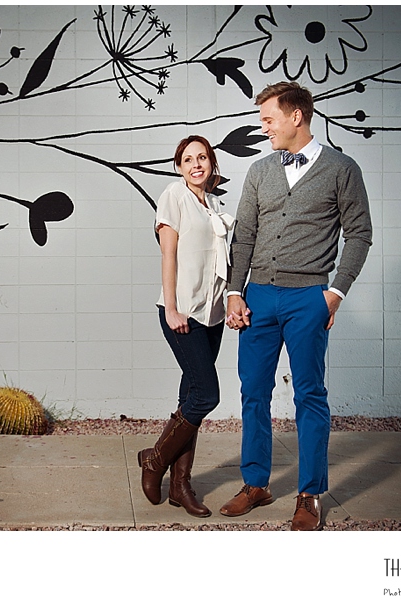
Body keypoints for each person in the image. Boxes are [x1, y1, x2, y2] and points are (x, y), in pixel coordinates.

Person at [220, 81, 373, 530]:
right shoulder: (260, 171)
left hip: (309, 297)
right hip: (258, 297)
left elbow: (359, 234)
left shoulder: (342, 169)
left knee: (309, 395)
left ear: (296, 117)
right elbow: (243, 235)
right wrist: (234, 291)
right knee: (253, 392)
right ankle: (256, 484)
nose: (263, 127)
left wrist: (335, 292)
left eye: (268, 119)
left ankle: (309, 494)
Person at [138, 135, 235, 518]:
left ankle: (180, 486)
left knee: (189, 398)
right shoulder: (173, 196)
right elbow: (169, 255)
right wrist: (172, 308)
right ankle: (155, 461)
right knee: (206, 395)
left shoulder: (215, 205)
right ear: (179, 166)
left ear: (211, 164)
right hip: (184, 314)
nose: (197, 164)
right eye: (189, 159)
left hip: (213, 317)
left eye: (203, 158)